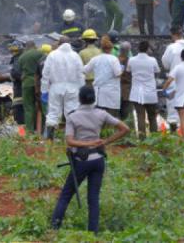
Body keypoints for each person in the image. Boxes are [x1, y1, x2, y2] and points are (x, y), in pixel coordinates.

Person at [50, 86, 130, 234]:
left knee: (66, 195)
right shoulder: (101, 114)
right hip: (98, 160)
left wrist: (87, 144)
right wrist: (105, 142)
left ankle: (54, 228)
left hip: (81, 161)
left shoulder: (72, 116)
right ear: (94, 99)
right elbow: (125, 129)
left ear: (79, 99)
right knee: (93, 198)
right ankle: (93, 234)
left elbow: (70, 141)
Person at [41, 37, 85, 140]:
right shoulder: (75, 56)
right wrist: (82, 89)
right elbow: (81, 74)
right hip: (73, 88)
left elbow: (45, 74)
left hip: (55, 88)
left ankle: (49, 139)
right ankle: (73, 138)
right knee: (72, 112)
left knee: (53, 113)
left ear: (59, 43)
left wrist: (44, 90)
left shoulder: (52, 55)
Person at [161, 26, 184, 130]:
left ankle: (174, 132)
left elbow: (165, 63)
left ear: (173, 35)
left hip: (174, 80)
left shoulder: (172, 47)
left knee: (173, 108)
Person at [127, 40, 160, 139]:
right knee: (152, 117)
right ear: (147, 49)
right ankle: (154, 138)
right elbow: (157, 70)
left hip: (137, 93)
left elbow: (128, 70)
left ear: (138, 48)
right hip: (150, 92)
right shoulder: (152, 60)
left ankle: (142, 139)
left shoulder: (132, 60)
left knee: (140, 116)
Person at [83, 37, 122, 117]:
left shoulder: (95, 59)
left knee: (99, 115)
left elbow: (85, 70)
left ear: (101, 48)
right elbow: (118, 73)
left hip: (99, 92)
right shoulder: (114, 59)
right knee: (110, 117)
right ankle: (109, 129)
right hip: (112, 91)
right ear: (111, 49)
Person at [0, 41, 26, 126]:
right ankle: (30, 135)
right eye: (12, 51)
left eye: (15, 50)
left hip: (21, 92)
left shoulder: (18, 59)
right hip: (27, 92)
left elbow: (16, 74)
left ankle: (22, 136)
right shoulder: (26, 59)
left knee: (19, 117)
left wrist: (3, 78)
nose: (13, 53)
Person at [18, 41, 44, 134]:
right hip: (40, 84)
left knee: (29, 107)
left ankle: (30, 130)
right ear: (34, 46)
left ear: (26, 47)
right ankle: (42, 130)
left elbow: (20, 70)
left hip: (27, 83)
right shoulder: (40, 54)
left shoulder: (22, 57)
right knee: (42, 107)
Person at [117, 41, 133, 125]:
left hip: (116, 90)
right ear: (128, 51)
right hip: (127, 91)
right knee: (126, 114)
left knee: (116, 114)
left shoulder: (115, 60)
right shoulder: (131, 61)